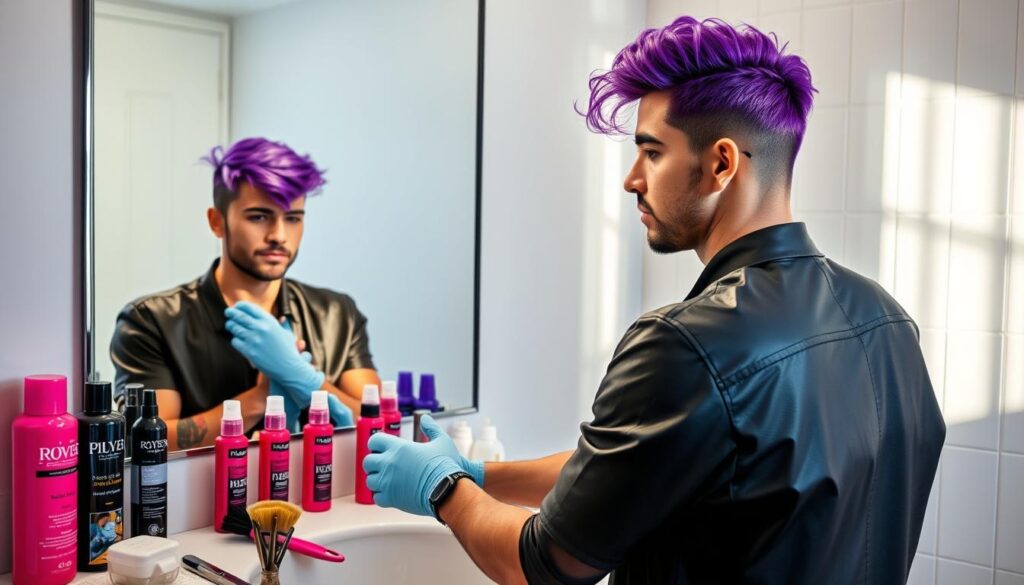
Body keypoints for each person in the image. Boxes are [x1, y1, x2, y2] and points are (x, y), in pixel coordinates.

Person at [363, 16, 945, 584]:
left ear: (720, 164)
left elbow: (543, 564)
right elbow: (645, 467)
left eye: (652, 152)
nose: (631, 179)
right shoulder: (889, 321)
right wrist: (482, 474)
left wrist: (443, 488)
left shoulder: (686, 344)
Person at [111, 137, 380, 451]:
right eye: (259, 216)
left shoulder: (338, 314)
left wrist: (304, 379)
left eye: (292, 218)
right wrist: (259, 398)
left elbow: (381, 423)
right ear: (217, 222)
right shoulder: (150, 321)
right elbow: (145, 441)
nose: (278, 235)